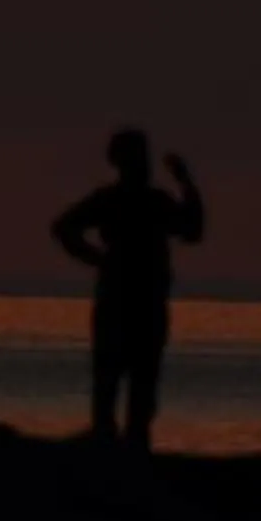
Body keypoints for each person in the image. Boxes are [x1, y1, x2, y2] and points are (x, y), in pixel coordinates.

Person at [53, 129, 207, 450]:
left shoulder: (151, 202)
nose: (145, 163)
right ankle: (117, 452)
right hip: (127, 304)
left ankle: (126, 451)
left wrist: (186, 183)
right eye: (139, 156)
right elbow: (63, 227)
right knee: (117, 387)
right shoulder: (125, 201)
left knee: (136, 390)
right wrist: (96, 259)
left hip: (139, 305)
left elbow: (193, 231)